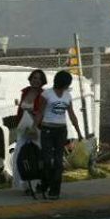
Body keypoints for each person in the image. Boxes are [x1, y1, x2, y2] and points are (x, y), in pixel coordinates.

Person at [32, 70, 83, 200]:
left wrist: (79, 132)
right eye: (67, 83)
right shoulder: (46, 94)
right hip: (47, 130)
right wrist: (33, 129)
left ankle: (55, 190)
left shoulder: (67, 96)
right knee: (48, 160)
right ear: (63, 83)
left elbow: (71, 114)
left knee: (59, 162)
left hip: (61, 131)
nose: (68, 86)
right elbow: (40, 112)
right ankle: (45, 183)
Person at [11, 69, 47, 195]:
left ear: (42, 81)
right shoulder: (25, 92)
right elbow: (20, 110)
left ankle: (38, 184)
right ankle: (24, 185)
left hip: (36, 129)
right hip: (23, 128)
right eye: (34, 78)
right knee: (19, 156)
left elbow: (44, 112)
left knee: (36, 157)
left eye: (39, 79)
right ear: (30, 79)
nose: (36, 80)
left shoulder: (44, 95)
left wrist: (35, 114)